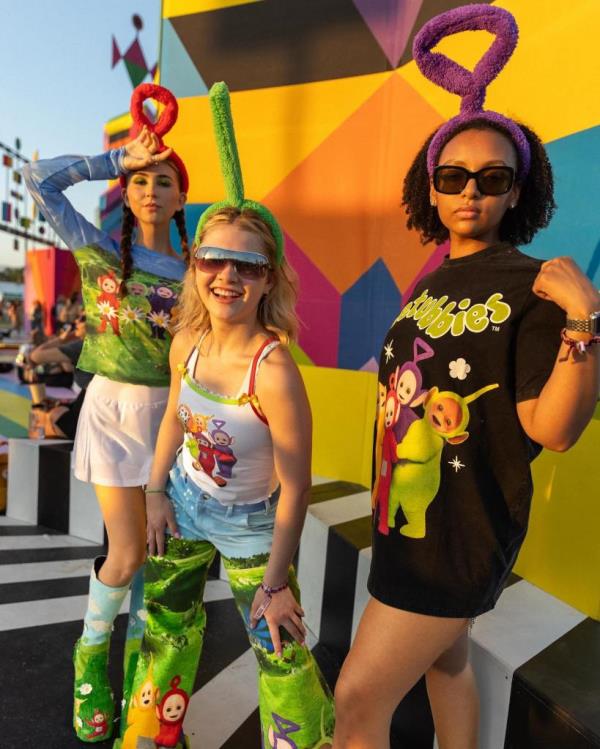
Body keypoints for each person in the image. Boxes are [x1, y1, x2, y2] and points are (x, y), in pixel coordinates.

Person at [332, 6, 600, 749]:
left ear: (519, 190)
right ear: (432, 186)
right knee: (446, 665)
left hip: (462, 533)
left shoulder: (532, 284)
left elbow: (555, 428)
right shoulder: (433, 281)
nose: (471, 191)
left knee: (356, 700)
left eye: (492, 177)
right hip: (408, 520)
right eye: (453, 175)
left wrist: (583, 321)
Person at [114, 82, 334, 749]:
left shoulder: (273, 369)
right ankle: (153, 733)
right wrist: (155, 492)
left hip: (251, 528)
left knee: (279, 646)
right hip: (182, 503)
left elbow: (297, 486)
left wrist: (275, 584)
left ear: (270, 279)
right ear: (195, 265)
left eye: (248, 264)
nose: (227, 277)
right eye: (213, 259)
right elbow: (176, 423)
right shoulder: (187, 340)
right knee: (165, 629)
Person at [24, 83, 190, 743]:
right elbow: (39, 181)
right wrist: (113, 159)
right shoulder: (95, 250)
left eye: (165, 181)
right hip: (115, 414)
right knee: (125, 552)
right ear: (130, 189)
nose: (151, 189)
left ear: (182, 197)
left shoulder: (197, 270)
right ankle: (91, 661)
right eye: (142, 180)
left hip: (175, 421)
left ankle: (149, 705)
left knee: (163, 560)